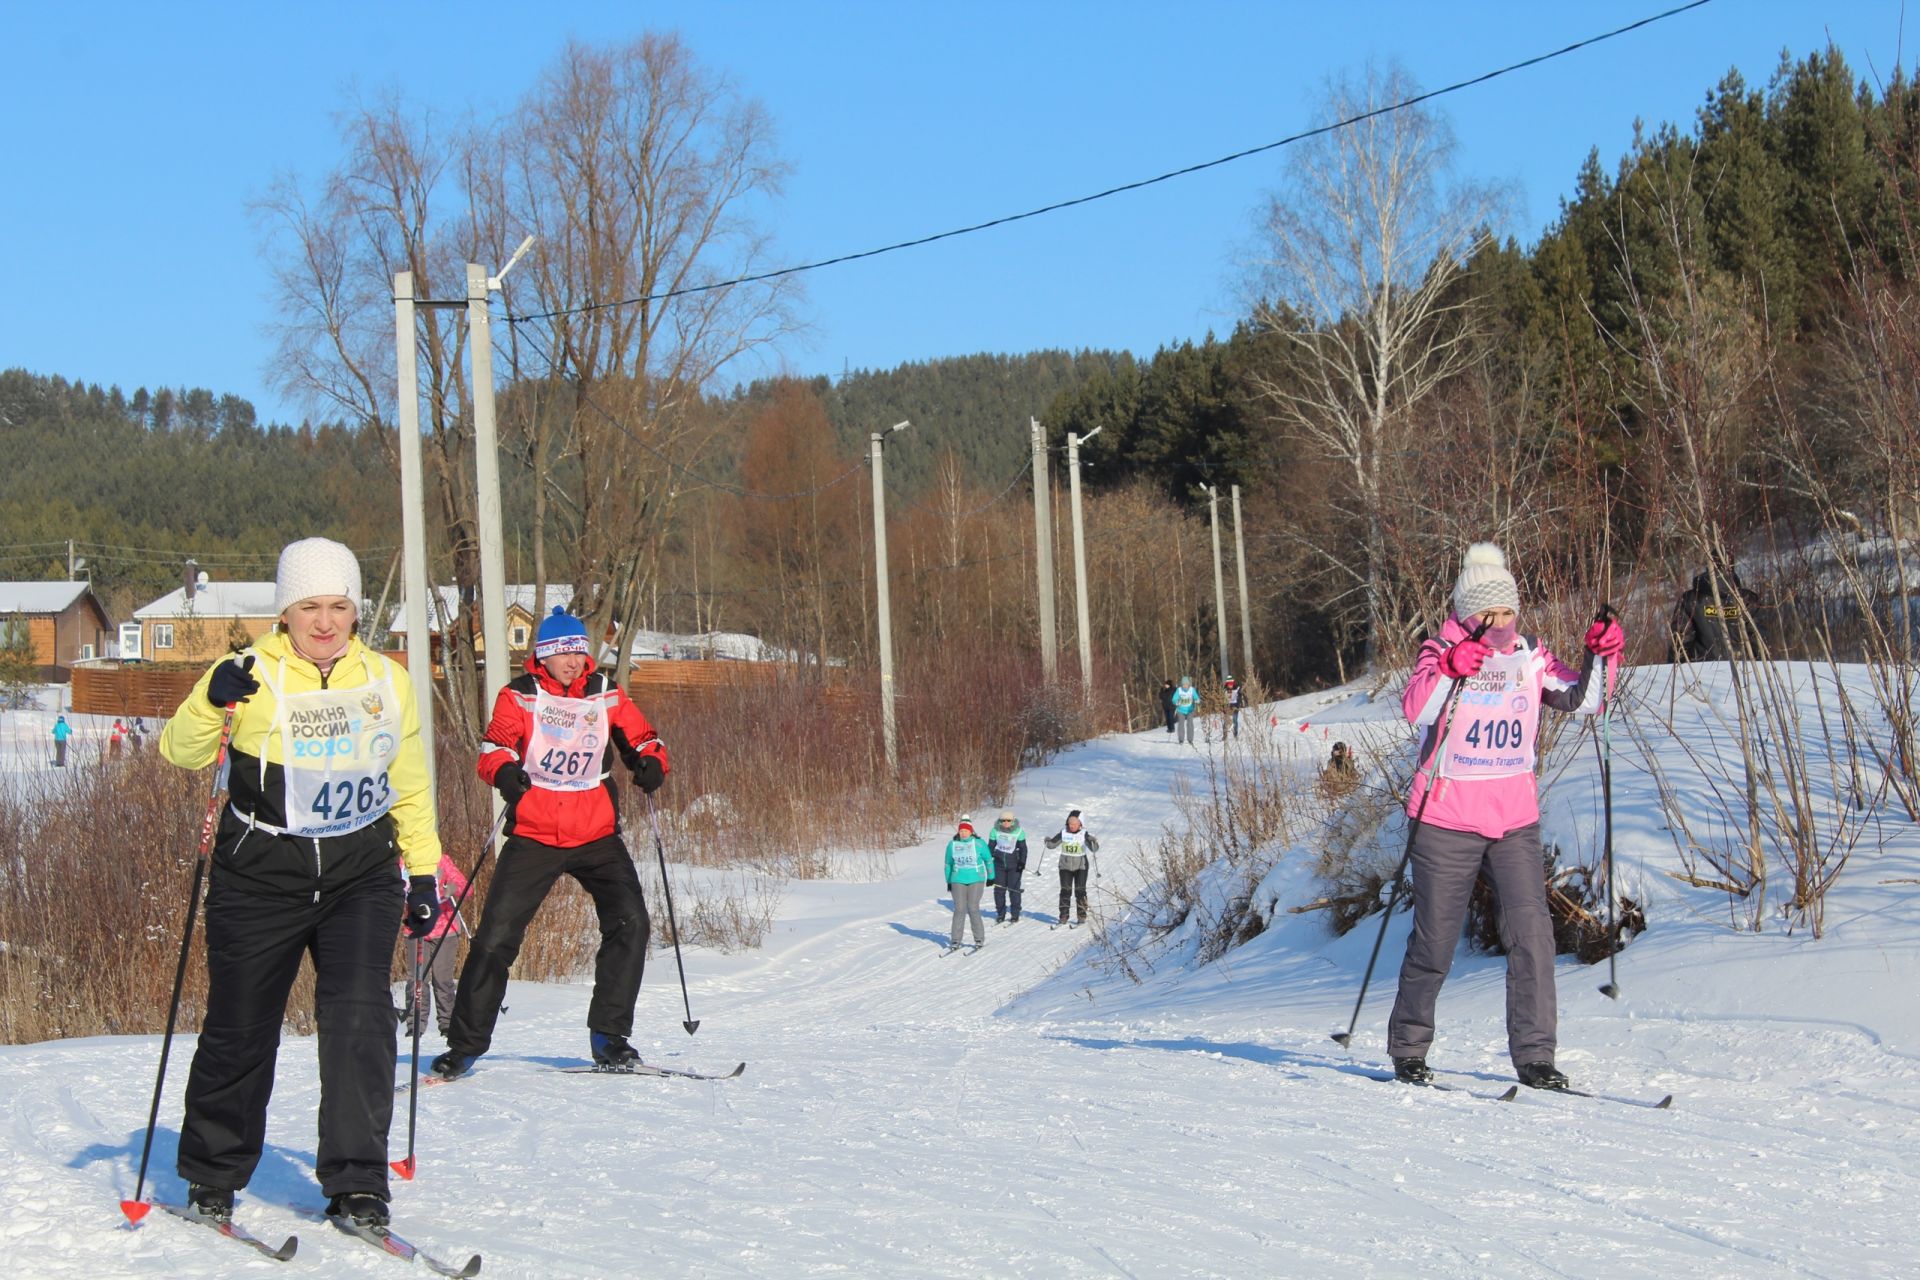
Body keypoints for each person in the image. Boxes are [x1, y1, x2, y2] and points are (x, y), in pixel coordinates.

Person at [159, 537, 442, 1229]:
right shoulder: (247, 671)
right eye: (309, 606)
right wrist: (208, 698)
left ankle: (358, 1183)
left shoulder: (387, 678)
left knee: (359, 1020)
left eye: (339, 606)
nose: (324, 621)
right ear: (286, 612)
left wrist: (425, 869)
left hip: (361, 874)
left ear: (355, 610)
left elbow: (407, 782)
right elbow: (180, 752)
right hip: (260, 875)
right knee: (240, 1025)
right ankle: (213, 1176)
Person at [1386, 542, 1621, 1092]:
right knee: (1435, 940)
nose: (1497, 625)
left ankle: (1536, 1057)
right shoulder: (1438, 648)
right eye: (1485, 616)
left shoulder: (1530, 654)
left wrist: (1603, 654)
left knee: (1533, 935)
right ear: (1465, 617)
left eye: (1506, 613)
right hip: (1444, 819)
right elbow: (1415, 708)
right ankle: (1409, 1049)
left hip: (1513, 818)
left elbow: (1587, 701)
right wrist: (1448, 668)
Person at [433, 606, 668, 1079]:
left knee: (632, 922)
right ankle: (463, 1046)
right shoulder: (520, 696)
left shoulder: (605, 693)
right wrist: (503, 772)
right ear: (543, 656)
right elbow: (494, 747)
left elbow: (643, 738)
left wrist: (651, 761)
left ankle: (610, 1038)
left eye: (579, 652)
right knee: (497, 938)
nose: (573, 661)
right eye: (563, 653)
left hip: (596, 833)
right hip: (536, 833)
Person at [399, 853, 470, 1038]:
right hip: (416, 928)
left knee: (442, 979)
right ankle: (415, 1024)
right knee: (416, 979)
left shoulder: (441, 860)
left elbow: (465, 888)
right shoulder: (402, 862)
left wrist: (453, 889)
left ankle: (447, 1024)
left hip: (445, 929)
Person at [1668, 565, 1760, 662]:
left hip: (1701, 670)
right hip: (1744, 671)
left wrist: (1675, 670)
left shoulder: (1690, 599)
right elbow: (1759, 641)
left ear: (1708, 566)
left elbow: (1681, 643)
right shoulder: (1748, 600)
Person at [944, 815, 994, 949]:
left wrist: (991, 877)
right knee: (959, 909)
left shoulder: (979, 844)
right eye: (961, 831)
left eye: (966, 831)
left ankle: (979, 939)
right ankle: (955, 940)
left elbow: (988, 860)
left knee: (972, 907)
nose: (963, 833)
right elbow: (948, 864)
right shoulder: (952, 845)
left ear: (971, 831)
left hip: (976, 878)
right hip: (958, 879)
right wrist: (948, 880)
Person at [1044, 807, 1099, 926]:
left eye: (1074, 823)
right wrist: (1048, 841)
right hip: (1065, 866)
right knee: (1065, 891)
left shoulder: (1084, 834)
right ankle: (1063, 916)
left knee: (1080, 891)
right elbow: (1052, 845)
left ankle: (1081, 916)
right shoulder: (1063, 833)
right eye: (1070, 823)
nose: (1072, 826)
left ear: (1080, 824)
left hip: (1081, 867)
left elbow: (1094, 849)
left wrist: (1093, 841)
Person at [987, 810, 1029, 924]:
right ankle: (1001, 913)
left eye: (1008, 820)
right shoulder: (995, 831)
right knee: (999, 890)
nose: (1005, 822)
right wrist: (988, 861)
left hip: (1014, 865)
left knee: (1013, 890)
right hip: (999, 864)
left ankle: (1015, 914)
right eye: (1003, 820)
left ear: (1013, 820)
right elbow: (990, 847)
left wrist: (1022, 862)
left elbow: (1023, 849)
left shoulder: (1019, 831)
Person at [1171, 676, 1199, 745]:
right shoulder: (1179, 690)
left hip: (1190, 710)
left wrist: (1197, 700)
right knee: (1181, 724)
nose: (1185, 686)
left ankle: (1190, 739)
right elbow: (1174, 699)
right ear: (1182, 685)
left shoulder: (1192, 690)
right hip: (1181, 710)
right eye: (1183, 685)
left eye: (1186, 684)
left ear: (1189, 684)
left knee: (1190, 724)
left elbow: (1196, 697)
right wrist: (1176, 702)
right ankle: (1181, 739)